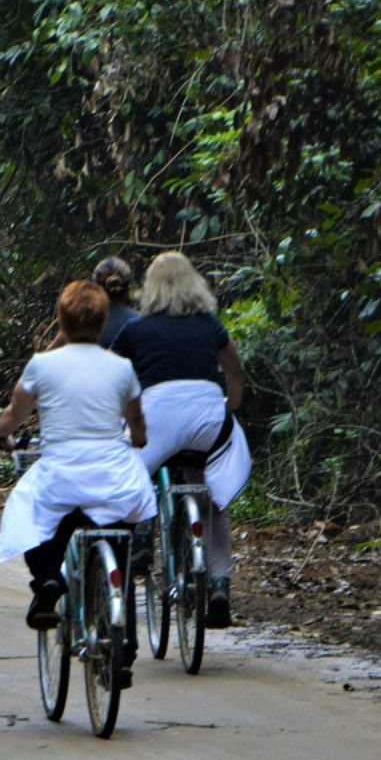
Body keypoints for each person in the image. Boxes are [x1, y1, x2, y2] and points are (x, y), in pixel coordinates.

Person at [0, 281, 156, 666]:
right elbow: (137, 421)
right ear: (102, 323)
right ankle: (124, 645)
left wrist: (0, 436)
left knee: (30, 511)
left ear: (60, 320)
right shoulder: (121, 367)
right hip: (113, 478)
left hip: (62, 474)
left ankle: (47, 579)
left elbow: (15, 415)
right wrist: (140, 439)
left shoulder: (42, 364)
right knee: (119, 551)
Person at [111, 251, 249, 627]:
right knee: (215, 498)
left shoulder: (136, 330)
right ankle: (220, 584)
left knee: (131, 468)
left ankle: (141, 538)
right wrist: (229, 407)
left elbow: (109, 377)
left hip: (158, 417)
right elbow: (235, 374)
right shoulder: (210, 325)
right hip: (208, 416)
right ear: (193, 283)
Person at [47, 255, 139, 350]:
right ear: (128, 289)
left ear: (96, 290)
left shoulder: (83, 320)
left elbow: (50, 352)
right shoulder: (139, 321)